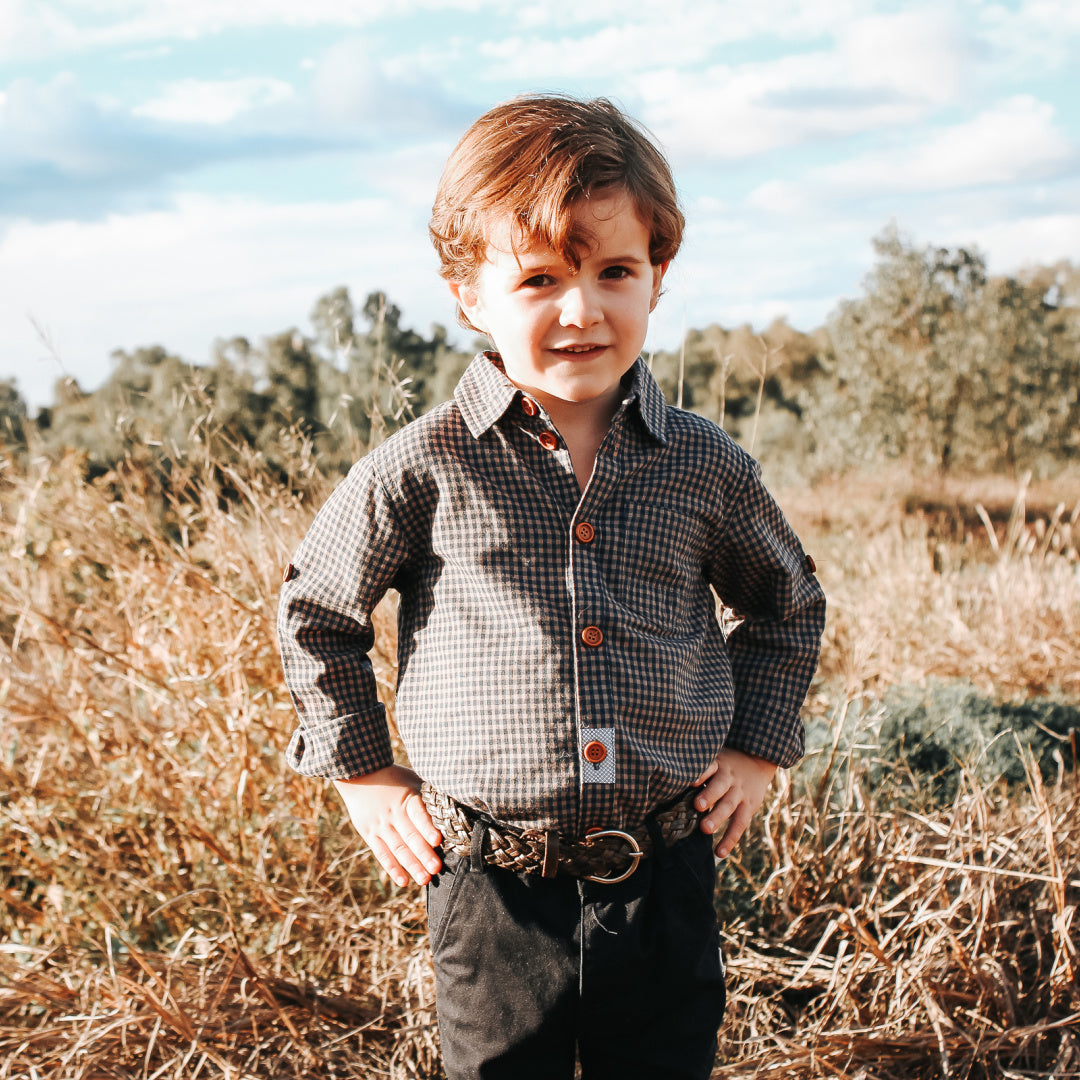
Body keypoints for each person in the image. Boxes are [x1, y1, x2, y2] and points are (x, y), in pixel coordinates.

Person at [277, 93, 826, 1080]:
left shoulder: (701, 465)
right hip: (491, 885)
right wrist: (363, 775)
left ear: (659, 275)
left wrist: (755, 750)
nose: (582, 309)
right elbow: (317, 614)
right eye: (540, 278)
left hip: (664, 871)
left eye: (615, 271)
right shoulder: (424, 467)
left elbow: (787, 607)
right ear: (467, 293)